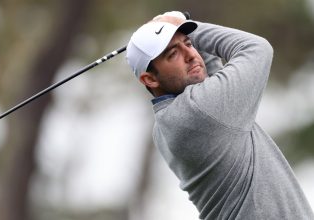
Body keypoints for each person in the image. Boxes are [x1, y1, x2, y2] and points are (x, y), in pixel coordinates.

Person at [126, 11, 314, 219]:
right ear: (150, 79)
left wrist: (180, 29)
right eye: (173, 54)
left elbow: (210, 74)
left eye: (188, 44)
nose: (191, 55)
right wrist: (190, 26)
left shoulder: (164, 125)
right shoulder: (200, 110)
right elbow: (257, 49)